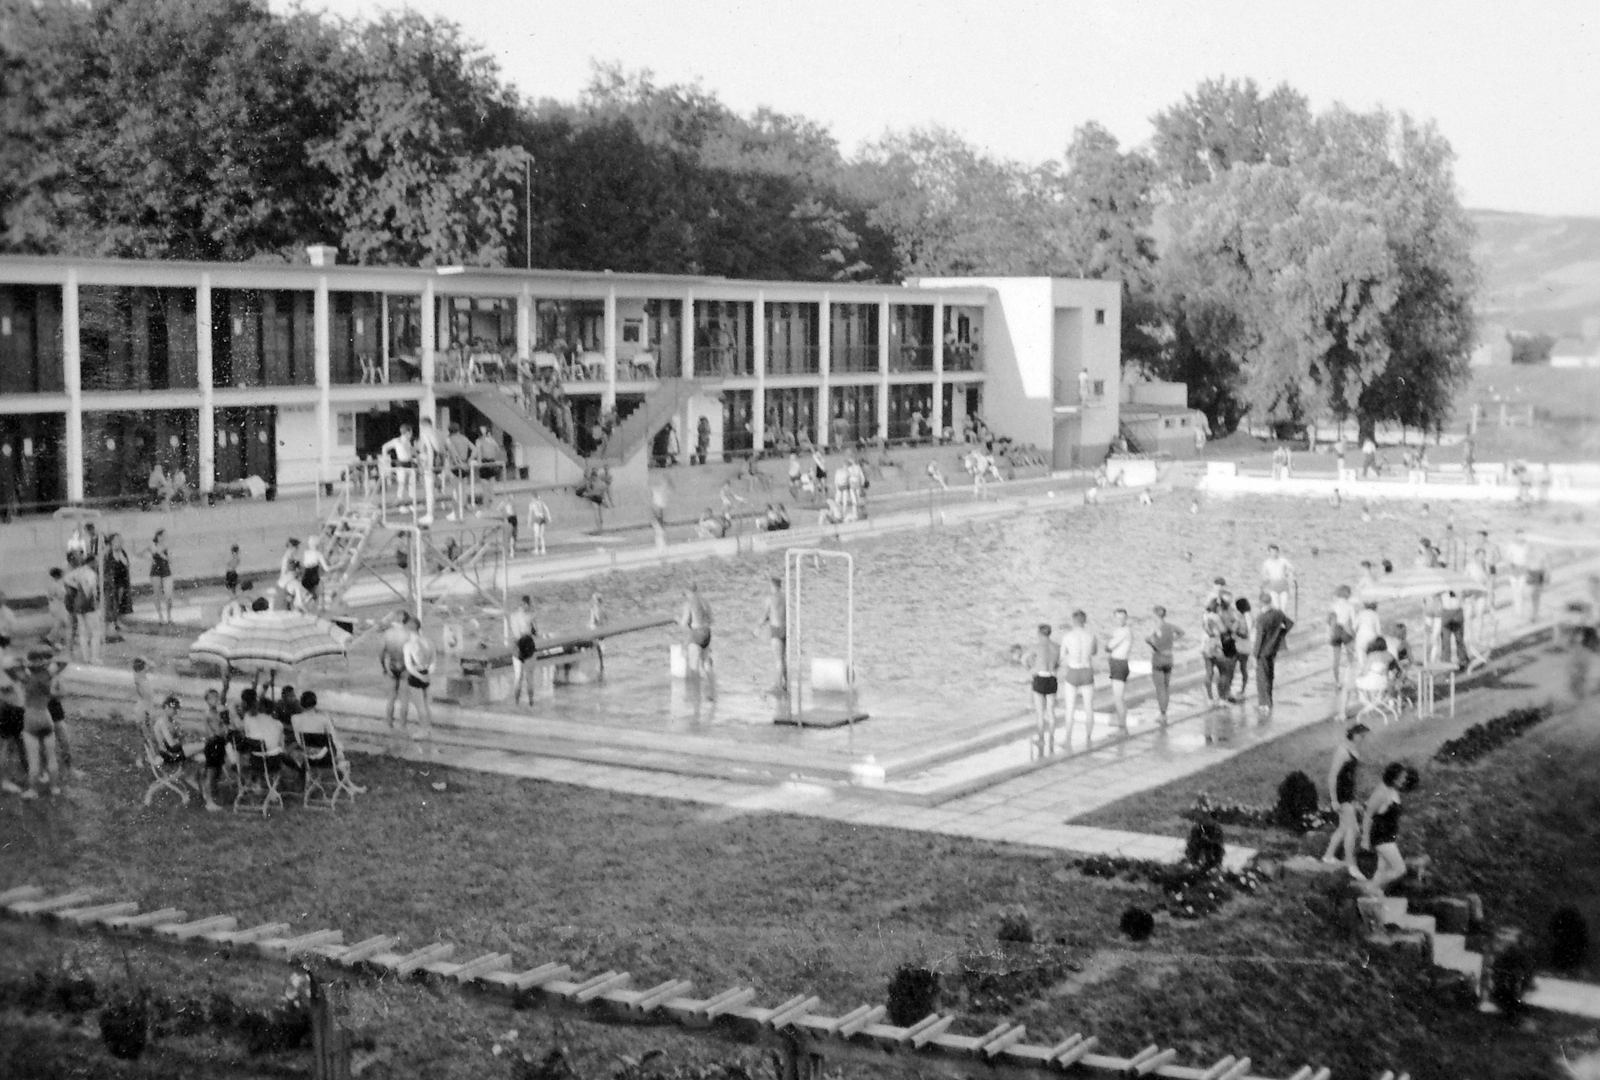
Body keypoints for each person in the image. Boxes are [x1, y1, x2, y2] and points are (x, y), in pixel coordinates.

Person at [1361, 763, 1420, 894]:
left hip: (1388, 837)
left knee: (1382, 869)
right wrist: (1365, 839)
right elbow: (1368, 814)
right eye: (1402, 777)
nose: (1404, 780)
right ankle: (1370, 887)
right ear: (1393, 777)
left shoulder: (1393, 790)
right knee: (1400, 869)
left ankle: (1372, 897)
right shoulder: (1381, 792)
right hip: (1381, 838)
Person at [1321, 723, 1369, 877]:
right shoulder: (1342, 751)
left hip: (1348, 794)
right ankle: (1351, 864)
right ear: (1354, 735)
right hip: (1342, 795)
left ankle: (1328, 856)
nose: (1363, 739)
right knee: (1353, 830)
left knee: (1343, 828)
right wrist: (1334, 799)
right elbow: (1333, 776)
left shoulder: (1354, 751)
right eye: (1361, 736)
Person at [1060, 610, 1098, 748]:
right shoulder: (1091, 636)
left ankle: (1068, 738)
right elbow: (1094, 652)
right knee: (1089, 707)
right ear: (1085, 621)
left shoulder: (1067, 636)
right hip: (1086, 670)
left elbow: (1063, 656)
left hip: (1073, 671)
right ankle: (1088, 737)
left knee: (1070, 708)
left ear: (1073, 621)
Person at [1254, 592, 1294, 715]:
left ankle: (1264, 703)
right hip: (1274, 647)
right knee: (1270, 674)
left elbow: (1259, 638)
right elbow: (1290, 624)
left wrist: (1255, 654)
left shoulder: (1261, 618)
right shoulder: (1278, 613)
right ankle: (1269, 701)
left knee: (1261, 677)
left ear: (1261, 602)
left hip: (1263, 651)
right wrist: (1280, 634)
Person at [1145, 605, 1183, 725]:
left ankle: (1163, 714)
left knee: (1160, 688)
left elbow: (1150, 640)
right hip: (1169, 657)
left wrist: (1152, 642)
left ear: (1155, 615)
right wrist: (1172, 641)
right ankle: (1164, 712)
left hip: (1158, 657)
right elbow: (1182, 632)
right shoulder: (1170, 626)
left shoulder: (1156, 627)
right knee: (1166, 687)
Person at [399, 619, 436, 738]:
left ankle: (423, 730)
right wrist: (428, 674)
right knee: (427, 705)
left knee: (420, 706)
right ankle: (428, 727)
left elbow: (409, 667)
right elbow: (434, 660)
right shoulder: (428, 642)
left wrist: (420, 676)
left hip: (416, 675)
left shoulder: (409, 645)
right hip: (427, 672)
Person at [198, 687, 232, 812]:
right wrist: (220, 731)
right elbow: (211, 733)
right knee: (211, 773)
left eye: (216, 698)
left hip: (220, 743)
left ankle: (212, 795)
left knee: (217, 772)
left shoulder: (219, 713)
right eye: (212, 698)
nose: (215, 700)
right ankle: (209, 801)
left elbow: (225, 728)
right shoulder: (207, 714)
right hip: (213, 744)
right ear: (207, 700)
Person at [677, 583, 715, 693]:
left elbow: (684, 623)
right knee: (706, 663)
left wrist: (677, 619)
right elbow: (711, 620)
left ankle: (696, 693)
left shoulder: (689, 604)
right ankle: (712, 691)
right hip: (707, 633)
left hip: (696, 633)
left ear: (688, 592)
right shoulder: (704, 601)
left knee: (694, 666)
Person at [378, 611, 413, 727]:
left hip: (392, 666)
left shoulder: (388, 634)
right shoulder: (409, 634)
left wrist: (384, 667)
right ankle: (403, 724)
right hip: (405, 667)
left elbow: (381, 654)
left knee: (391, 697)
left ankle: (389, 723)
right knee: (404, 698)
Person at [758, 577, 788, 697]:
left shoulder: (770, 599)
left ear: (772, 586)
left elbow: (765, 615)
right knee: (783, 658)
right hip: (785, 628)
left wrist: (757, 627)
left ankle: (777, 685)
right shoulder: (785, 597)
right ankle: (785, 684)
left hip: (775, 629)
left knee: (777, 660)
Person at [415, 416, 447, 526]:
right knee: (431, 489)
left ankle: (429, 514)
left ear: (423, 424)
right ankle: (431, 511)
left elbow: (430, 449)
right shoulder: (437, 433)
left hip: (431, 463)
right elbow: (442, 448)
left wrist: (428, 465)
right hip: (440, 462)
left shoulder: (425, 434)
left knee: (429, 490)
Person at [1105, 608, 1133, 731]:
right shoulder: (1120, 630)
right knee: (1118, 696)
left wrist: (1108, 646)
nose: (1120, 620)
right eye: (1118, 618)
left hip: (1119, 663)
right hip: (1117, 663)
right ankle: (1122, 723)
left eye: (1122, 618)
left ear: (1126, 618)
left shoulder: (1124, 631)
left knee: (1118, 697)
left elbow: (1109, 646)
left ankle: (1122, 725)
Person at [507, 595, 538, 705]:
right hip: (528, 644)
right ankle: (531, 703)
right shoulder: (530, 616)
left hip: (517, 646)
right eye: (530, 604)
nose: (530, 606)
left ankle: (516, 703)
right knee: (529, 676)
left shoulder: (513, 616)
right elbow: (536, 632)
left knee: (518, 675)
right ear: (526, 604)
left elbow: (514, 632)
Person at [1327, 584, 1357, 688]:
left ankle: (1337, 682)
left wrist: (1329, 633)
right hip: (1346, 631)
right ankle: (1348, 679)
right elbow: (1354, 622)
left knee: (1336, 659)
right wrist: (1354, 634)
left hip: (1336, 631)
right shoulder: (1350, 606)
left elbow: (1329, 621)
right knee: (1350, 657)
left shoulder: (1333, 606)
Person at [381, 424, 416, 507]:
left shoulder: (408, 442)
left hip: (409, 464)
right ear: (408, 432)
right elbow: (385, 447)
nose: (411, 435)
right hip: (401, 464)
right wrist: (385, 457)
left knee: (411, 483)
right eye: (411, 433)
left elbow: (411, 452)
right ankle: (400, 500)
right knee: (402, 483)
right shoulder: (397, 441)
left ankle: (411, 500)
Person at [104, 533, 132, 638]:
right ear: (112, 541)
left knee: (118, 601)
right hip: (110, 580)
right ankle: (112, 622)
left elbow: (126, 564)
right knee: (111, 602)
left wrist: (119, 553)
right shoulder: (108, 552)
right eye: (117, 540)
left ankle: (117, 621)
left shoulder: (122, 552)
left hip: (120, 580)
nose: (120, 541)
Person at [145, 529, 174, 626]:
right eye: (163, 536)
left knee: (168, 595)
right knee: (156, 593)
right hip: (156, 570)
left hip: (165, 570)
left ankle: (169, 615)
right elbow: (141, 553)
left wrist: (161, 554)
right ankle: (160, 616)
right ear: (158, 536)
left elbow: (170, 559)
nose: (164, 538)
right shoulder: (152, 546)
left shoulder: (166, 546)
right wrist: (149, 558)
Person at [1504, 528, 1531, 620]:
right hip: (1514, 569)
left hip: (1522, 569)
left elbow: (1528, 558)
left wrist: (1528, 570)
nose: (1520, 537)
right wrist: (1510, 566)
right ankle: (1517, 610)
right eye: (1518, 535)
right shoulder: (1511, 546)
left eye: (1521, 535)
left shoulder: (1526, 545)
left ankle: (1520, 611)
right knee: (1515, 591)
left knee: (1520, 590)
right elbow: (1507, 558)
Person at [1231, 597, 1255, 701]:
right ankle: (1243, 689)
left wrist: (1235, 632)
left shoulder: (1239, 618)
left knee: (1232, 667)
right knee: (1243, 668)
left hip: (1238, 645)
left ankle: (1230, 689)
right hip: (1246, 646)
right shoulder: (1250, 617)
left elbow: (1241, 633)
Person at [1260, 544, 1295, 614]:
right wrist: (1264, 587)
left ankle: (1283, 623)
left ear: (1278, 552)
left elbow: (1292, 569)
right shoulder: (1266, 563)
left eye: (1275, 552)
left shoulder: (1283, 561)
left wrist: (1289, 575)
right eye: (1272, 552)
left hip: (1283, 587)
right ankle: (1277, 623)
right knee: (1276, 608)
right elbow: (1264, 576)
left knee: (1283, 609)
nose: (1274, 554)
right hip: (1273, 587)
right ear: (1269, 553)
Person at [44, 569, 71, 649]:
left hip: (54, 605)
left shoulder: (52, 584)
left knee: (59, 623)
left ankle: (51, 638)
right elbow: (60, 595)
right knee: (63, 623)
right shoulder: (57, 585)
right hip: (59, 605)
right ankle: (54, 639)